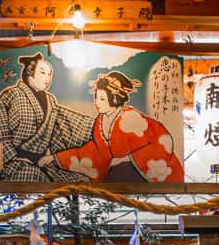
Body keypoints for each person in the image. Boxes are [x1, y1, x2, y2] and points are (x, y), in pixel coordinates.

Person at [0, 53, 94, 182]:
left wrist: (95, 126)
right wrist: (13, 157)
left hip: (39, 162)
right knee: (32, 176)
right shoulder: (12, 95)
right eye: (43, 73)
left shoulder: (50, 100)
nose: (47, 78)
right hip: (11, 162)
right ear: (30, 73)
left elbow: (66, 120)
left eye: (49, 74)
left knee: (81, 180)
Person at [50, 71, 183, 183]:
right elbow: (95, 152)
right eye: (96, 98)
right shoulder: (100, 122)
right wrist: (57, 158)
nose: (97, 103)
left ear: (114, 99)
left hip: (146, 167)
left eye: (102, 99)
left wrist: (125, 159)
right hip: (121, 170)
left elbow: (162, 140)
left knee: (115, 174)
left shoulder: (129, 117)